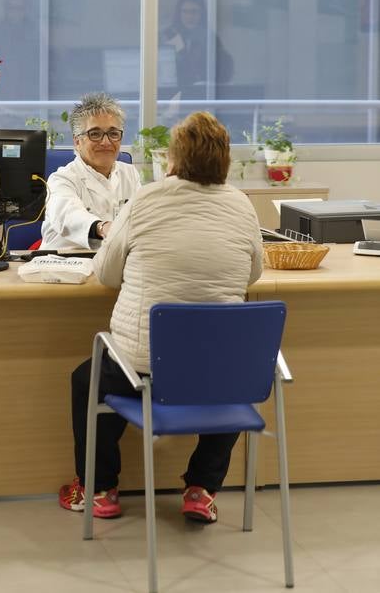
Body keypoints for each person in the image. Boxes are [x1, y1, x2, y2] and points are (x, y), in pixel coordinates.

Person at [59, 111, 263, 522]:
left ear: (173, 159)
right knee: (235, 376)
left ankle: (100, 489)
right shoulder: (242, 205)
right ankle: (202, 487)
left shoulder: (147, 199)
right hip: (218, 375)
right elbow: (253, 273)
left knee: (90, 379)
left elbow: (105, 272)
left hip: (147, 371)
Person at [41, 92, 141, 250]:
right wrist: (103, 227)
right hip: (64, 264)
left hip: (112, 263)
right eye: (95, 134)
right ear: (77, 141)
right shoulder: (61, 179)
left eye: (113, 134)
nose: (106, 142)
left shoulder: (130, 174)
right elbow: (68, 216)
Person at [161, 0, 234, 94]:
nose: (189, 17)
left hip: (200, 93)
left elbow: (223, 69)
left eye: (194, 12)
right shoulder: (167, 35)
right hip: (170, 93)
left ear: (201, 13)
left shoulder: (210, 37)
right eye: (185, 11)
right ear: (179, 13)